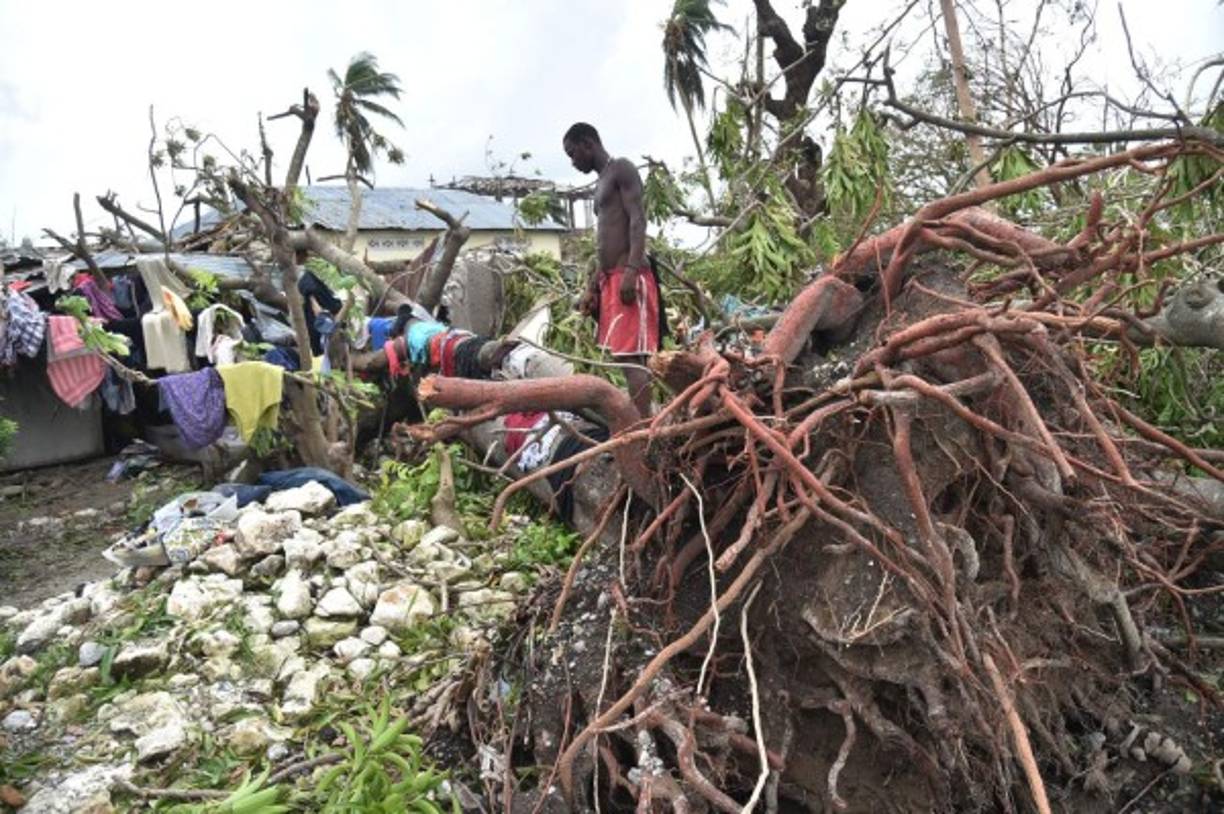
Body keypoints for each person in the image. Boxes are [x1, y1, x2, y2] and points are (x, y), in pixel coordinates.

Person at [562, 122, 662, 418]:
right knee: (625, 358)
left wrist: (631, 270)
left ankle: (647, 433)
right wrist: (593, 286)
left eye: (572, 153)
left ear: (587, 144)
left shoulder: (622, 169)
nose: (572, 161)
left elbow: (638, 221)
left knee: (633, 360)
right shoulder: (601, 181)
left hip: (628, 276)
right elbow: (604, 240)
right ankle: (646, 424)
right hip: (611, 279)